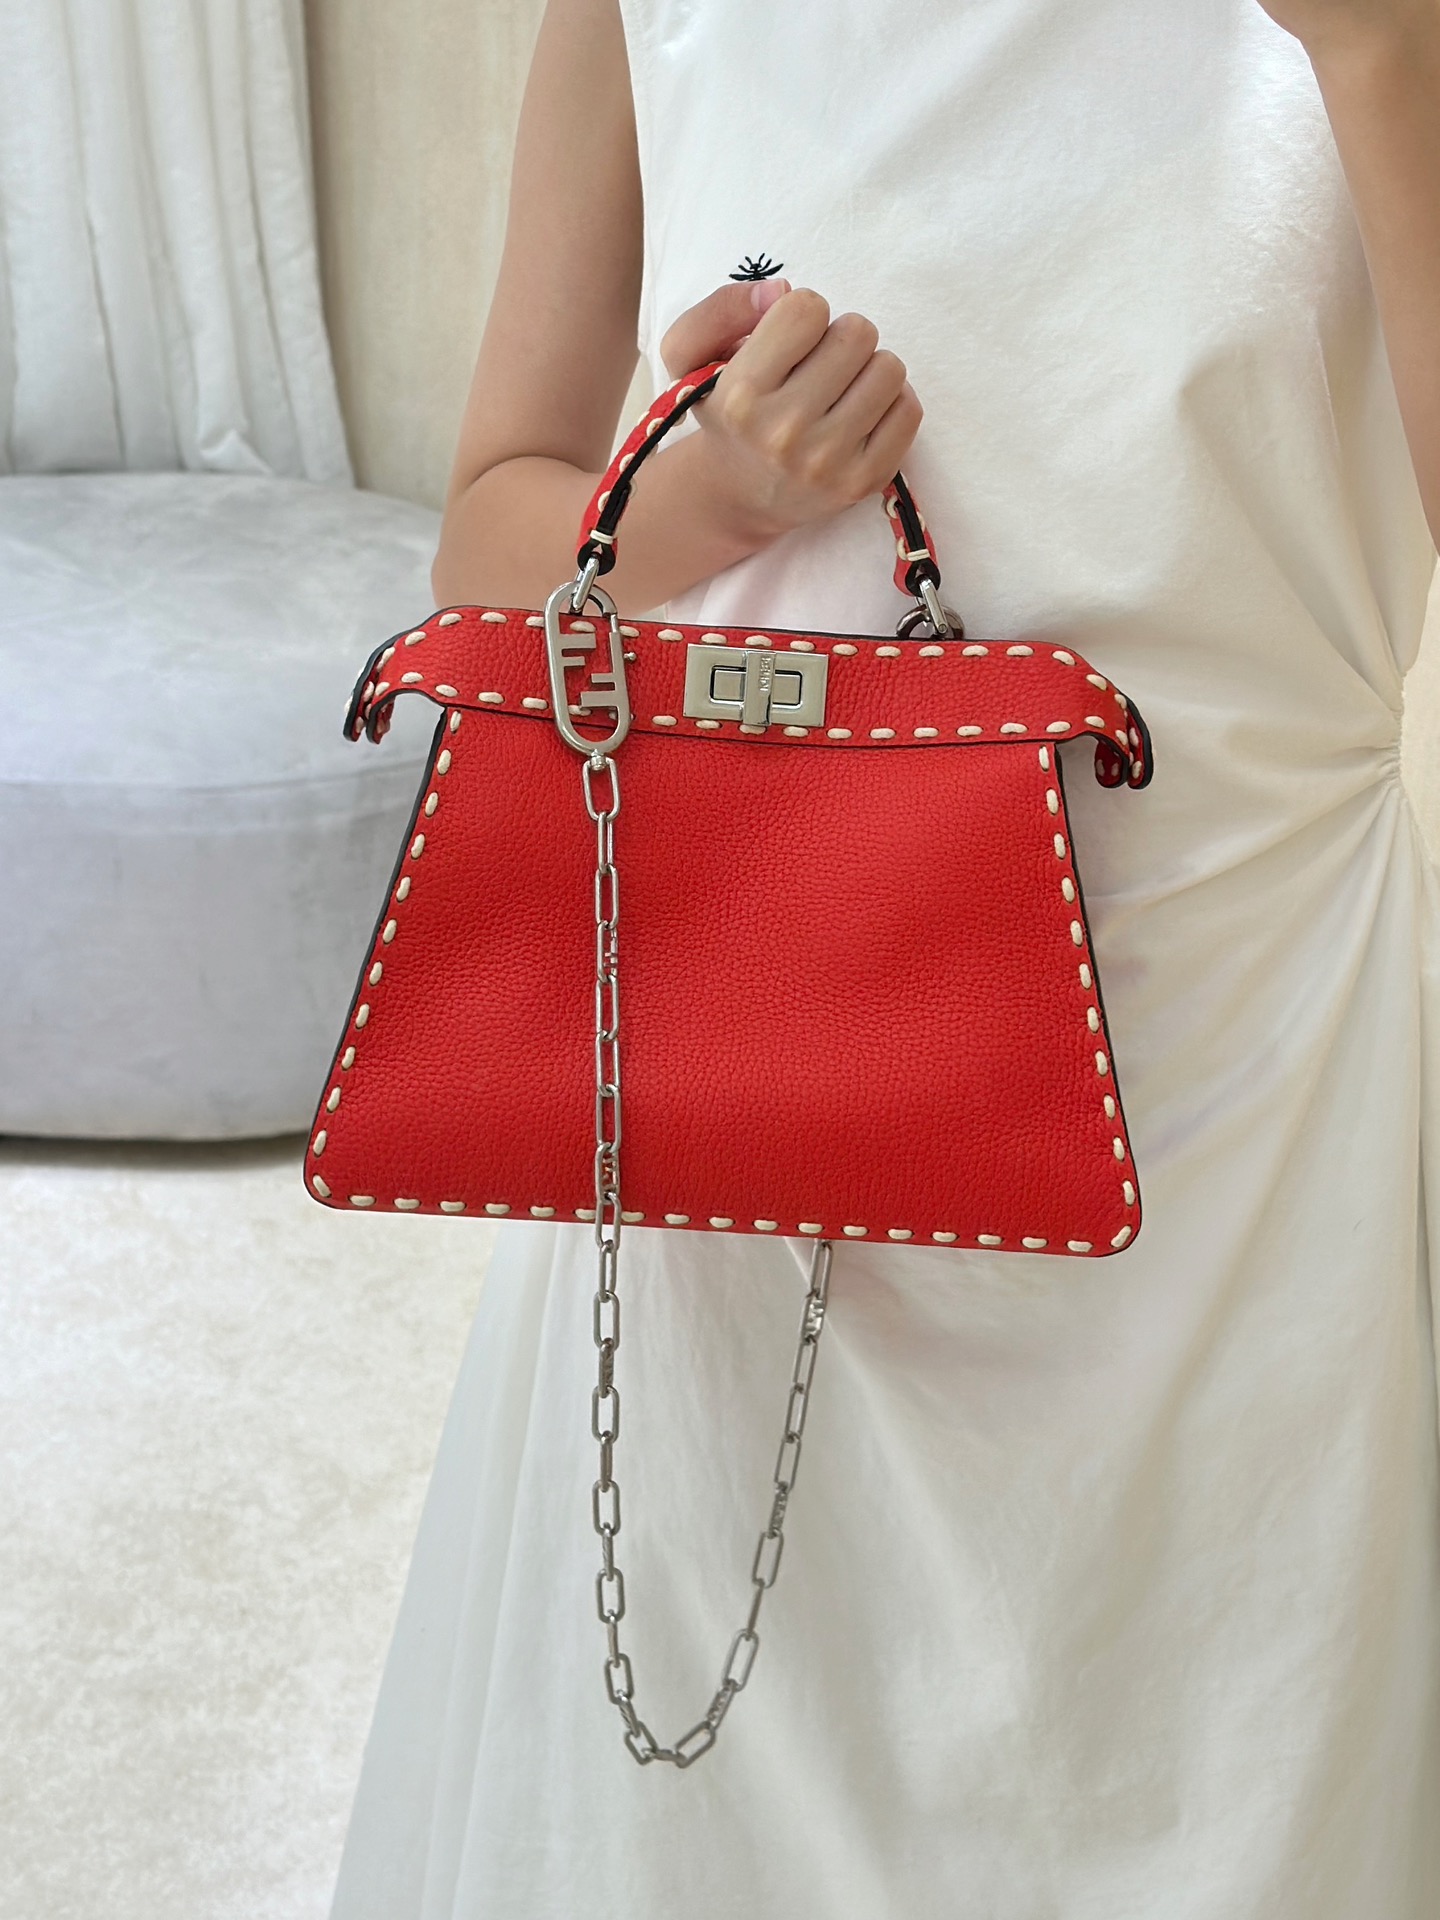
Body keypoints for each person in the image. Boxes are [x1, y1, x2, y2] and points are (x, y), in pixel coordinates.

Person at [331, 0, 1440, 1912]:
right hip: (753, 1092)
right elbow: (493, 531)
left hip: (1242, 1110)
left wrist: (1383, 60)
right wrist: (712, 495)